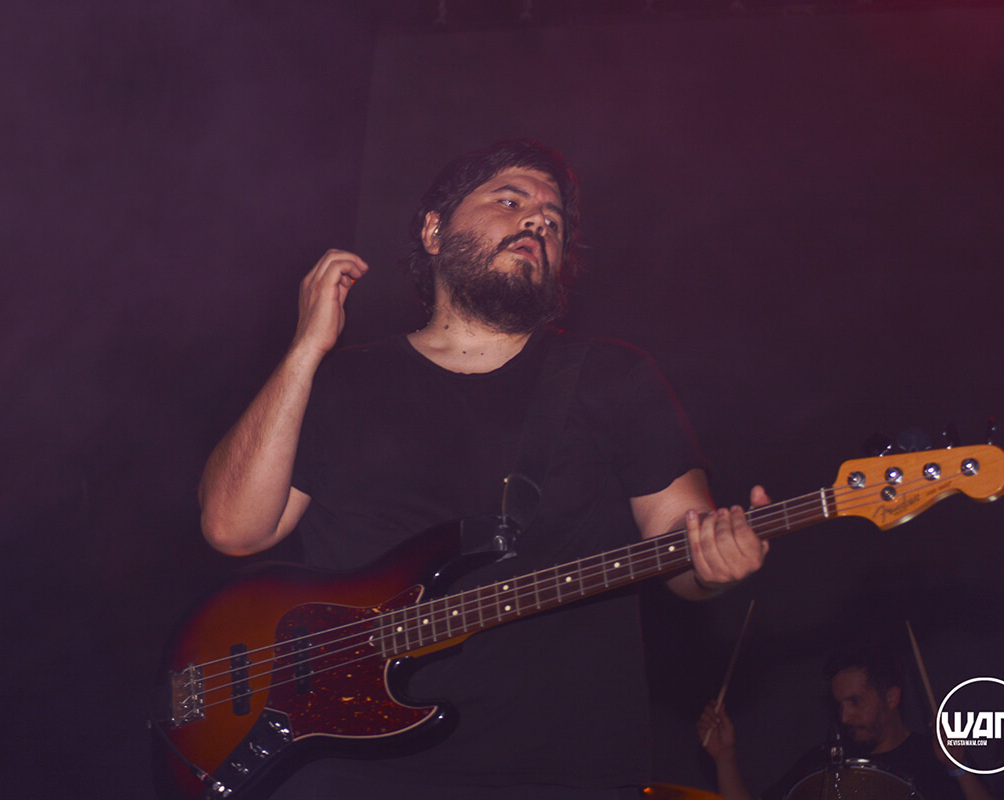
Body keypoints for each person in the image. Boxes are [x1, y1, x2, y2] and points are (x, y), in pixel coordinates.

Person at [198, 139, 769, 799]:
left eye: (553, 221)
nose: (536, 223)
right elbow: (233, 528)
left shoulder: (613, 378)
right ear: (434, 230)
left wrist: (713, 566)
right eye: (510, 200)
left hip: (563, 769)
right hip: (350, 768)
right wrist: (306, 348)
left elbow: (681, 541)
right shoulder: (342, 382)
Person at [696, 644, 996, 800]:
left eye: (855, 701)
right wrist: (725, 758)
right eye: (839, 704)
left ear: (891, 698)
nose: (844, 717)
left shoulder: (934, 756)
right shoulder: (821, 763)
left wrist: (959, 769)